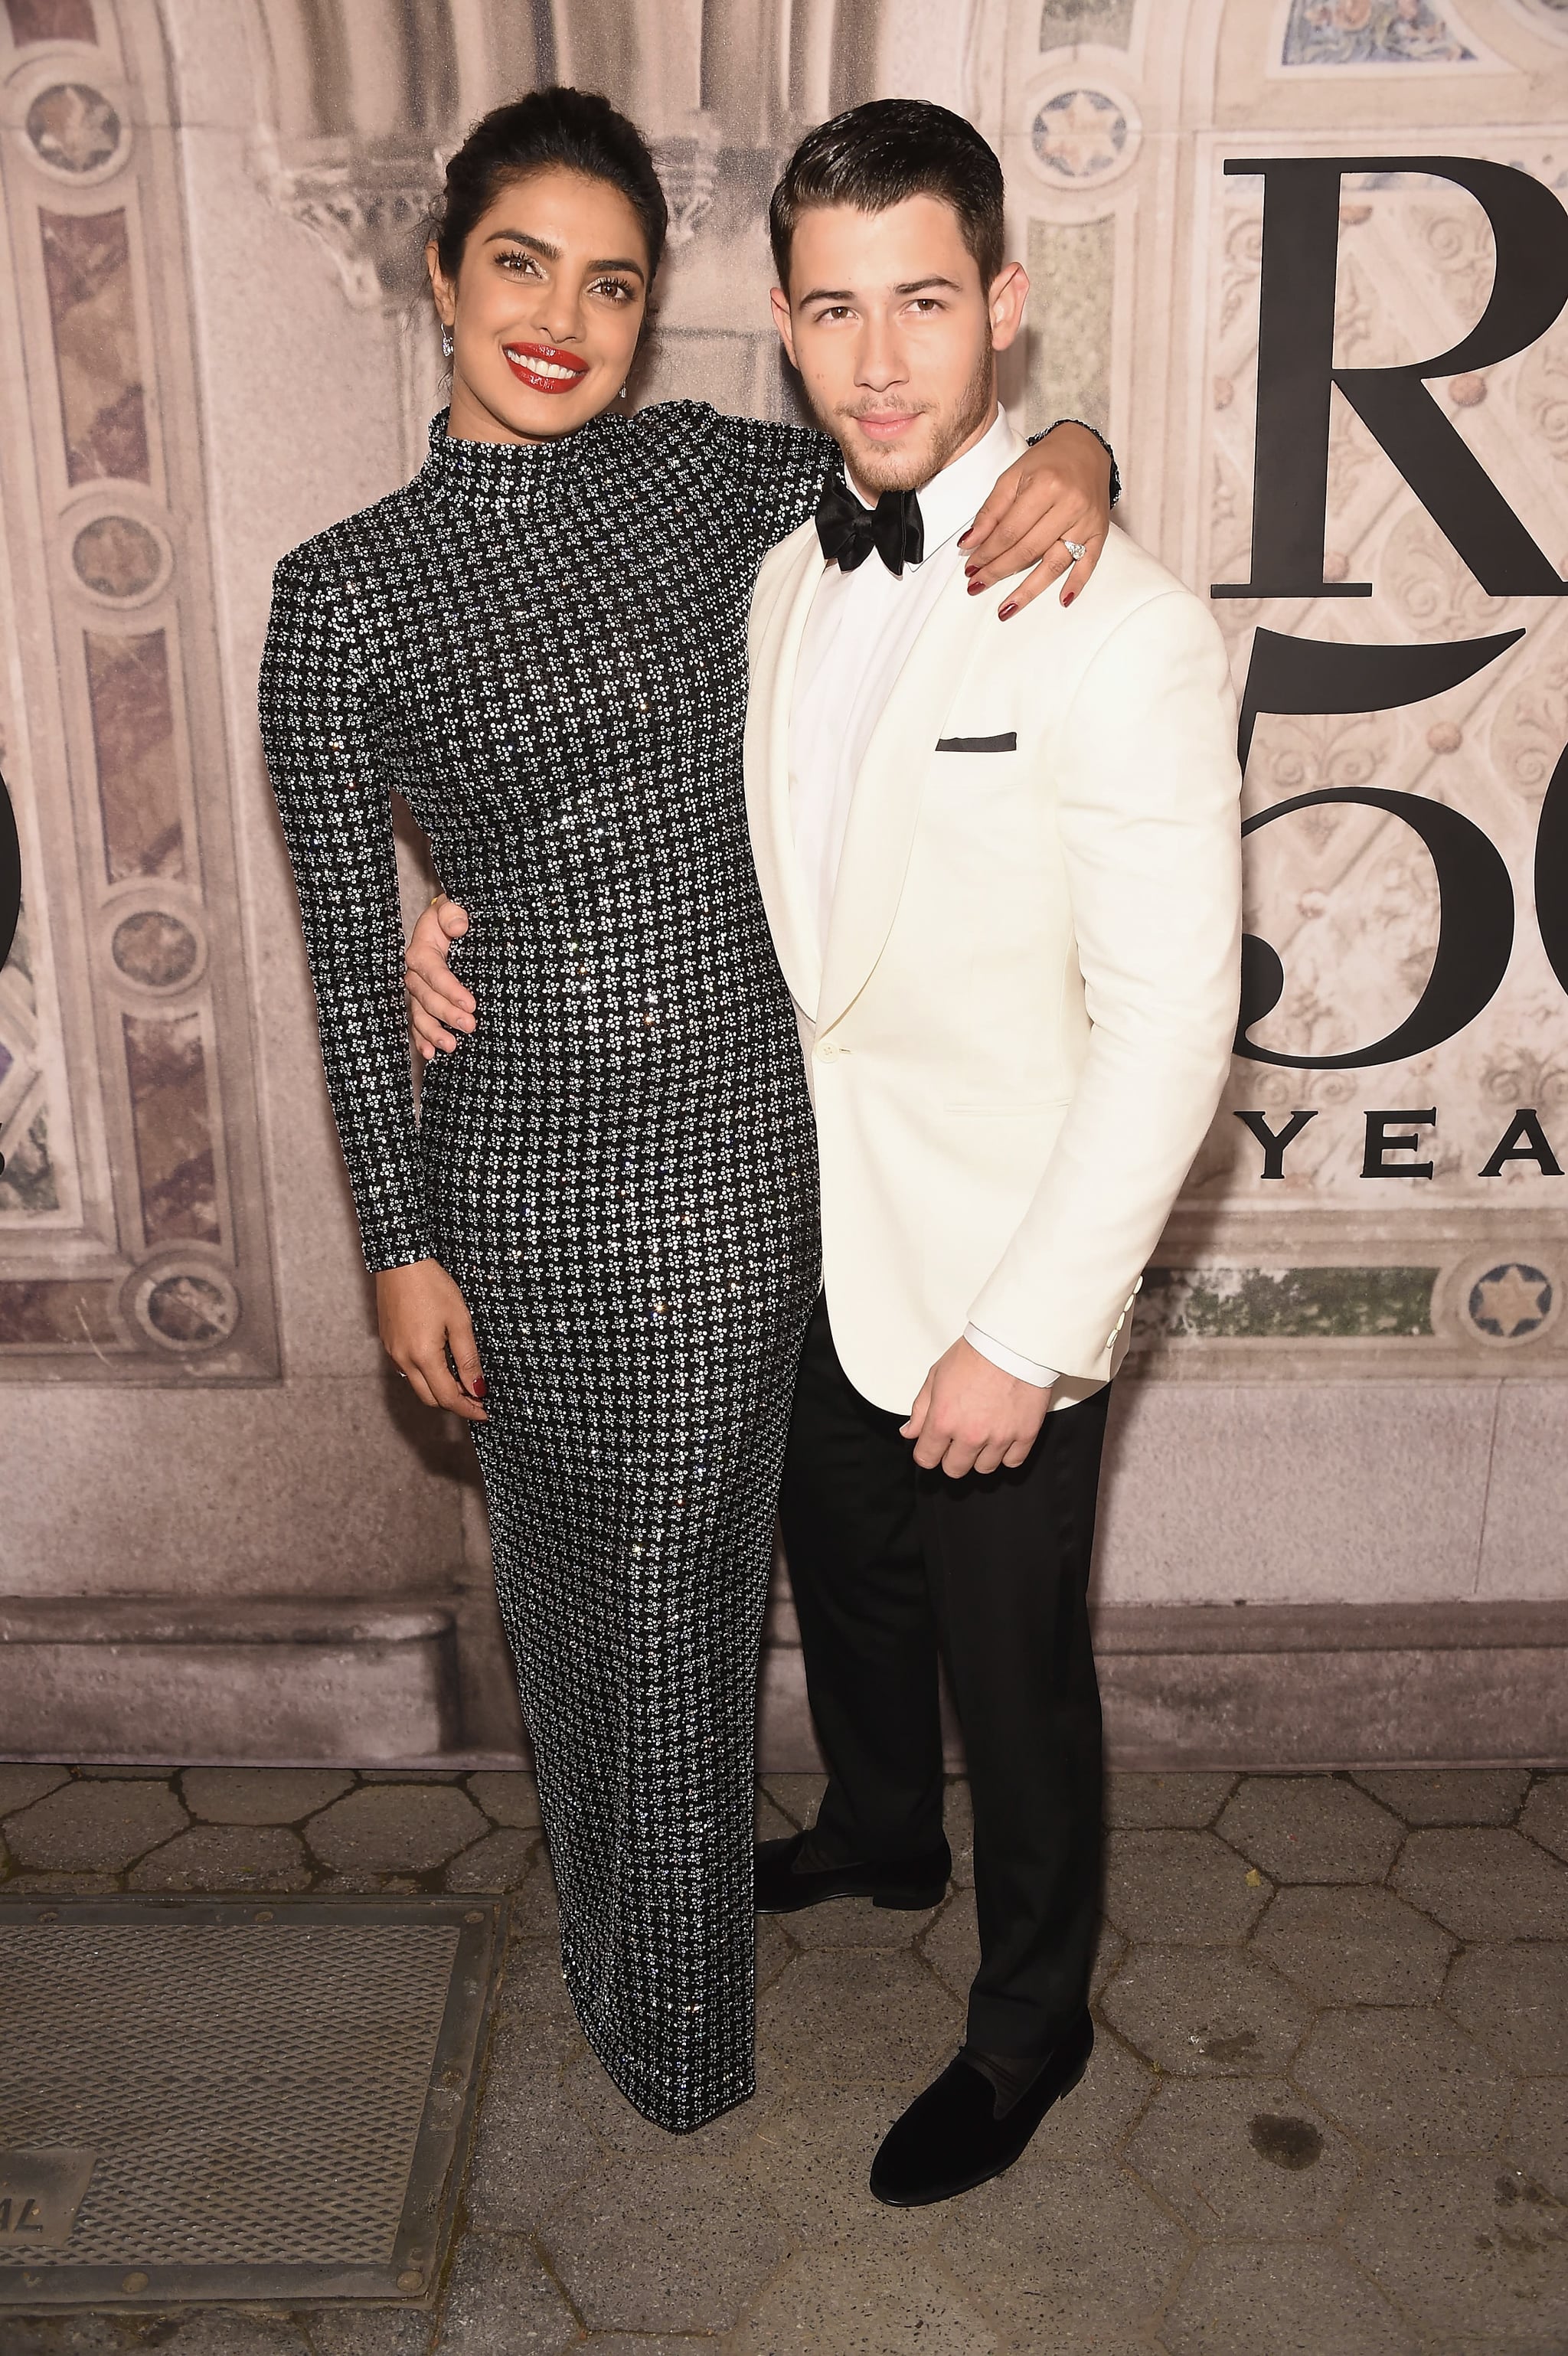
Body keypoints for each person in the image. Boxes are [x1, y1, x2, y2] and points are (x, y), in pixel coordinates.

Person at [260, 86, 1116, 2136]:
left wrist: (1079, 451)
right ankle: (667, 2005)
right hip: (529, 1177)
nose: (562, 317)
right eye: (520, 265)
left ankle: (691, 1993)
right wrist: (396, 1239)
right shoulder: (337, 593)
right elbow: (331, 938)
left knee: (712, 1580)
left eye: (614, 281)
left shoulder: (729, 482)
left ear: (658, 313)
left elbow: (946, 448)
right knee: (606, 1590)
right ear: (442, 272)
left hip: (753, 1153)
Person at [409, 96, 1241, 2200]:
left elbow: (1169, 1023)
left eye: (929, 306)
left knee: (1014, 1669)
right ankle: (883, 1833)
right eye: (838, 312)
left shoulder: (1118, 622)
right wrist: (451, 900)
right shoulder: (775, 561)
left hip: (993, 1269)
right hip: (790, 1227)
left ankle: (1031, 2023)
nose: (883, 360)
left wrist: (1031, 1330)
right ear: (781, 330)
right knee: (850, 1597)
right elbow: (630, 800)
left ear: (1007, 312)